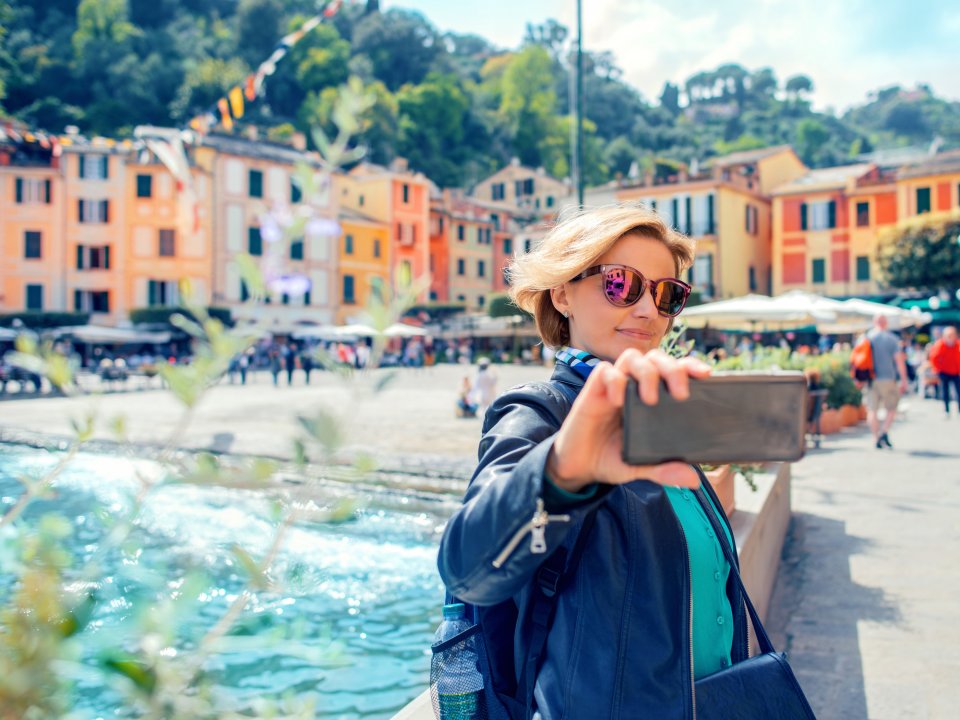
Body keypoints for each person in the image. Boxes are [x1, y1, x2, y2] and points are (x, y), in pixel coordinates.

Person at [438, 205, 751, 717]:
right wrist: (564, 474)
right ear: (562, 293)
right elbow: (471, 567)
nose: (649, 310)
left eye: (666, 293)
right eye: (620, 284)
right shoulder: (540, 413)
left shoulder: (658, 417)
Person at [864, 314, 909, 449]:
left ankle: (875, 437)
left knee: (872, 410)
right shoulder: (892, 339)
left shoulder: (866, 338)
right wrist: (904, 380)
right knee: (892, 408)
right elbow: (899, 361)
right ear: (886, 323)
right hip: (888, 378)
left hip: (870, 379)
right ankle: (883, 432)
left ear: (874, 322)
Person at [929, 326, 960, 417]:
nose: (951, 337)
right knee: (945, 391)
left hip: (956, 372)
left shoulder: (957, 345)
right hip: (944, 372)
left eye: (953, 335)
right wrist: (937, 369)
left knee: (958, 392)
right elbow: (934, 358)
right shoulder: (940, 345)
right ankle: (946, 410)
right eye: (949, 335)